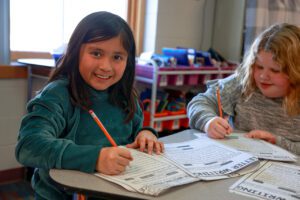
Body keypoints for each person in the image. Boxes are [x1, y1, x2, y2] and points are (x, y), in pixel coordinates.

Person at [15, 11, 164, 199]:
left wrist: (145, 134)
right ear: (76, 52)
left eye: (117, 57)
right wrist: (96, 158)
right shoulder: (57, 95)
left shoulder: (126, 95)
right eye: (96, 53)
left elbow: (136, 130)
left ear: (128, 61)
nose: (106, 66)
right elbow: (28, 146)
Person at [187, 23, 300, 155]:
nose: (263, 76)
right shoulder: (244, 82)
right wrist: (208, 121)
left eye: (275, 70)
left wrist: (277, 142)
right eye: (258, 67)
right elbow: (199, 102)